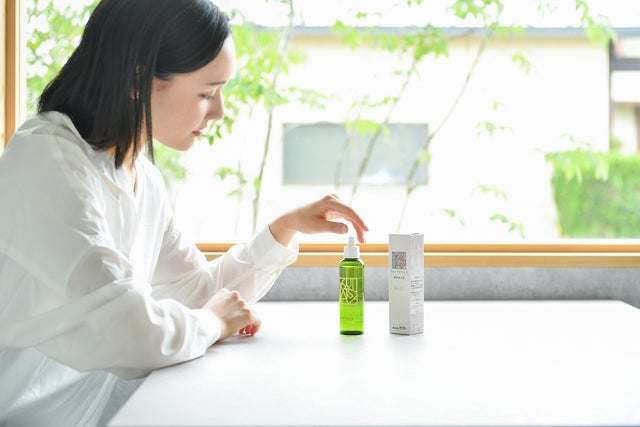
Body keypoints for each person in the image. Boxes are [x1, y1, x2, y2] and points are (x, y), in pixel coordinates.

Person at [0, 0, 369, 425]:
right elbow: (131, 332)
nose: (219, 111)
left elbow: (198, 294)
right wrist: (212, 323)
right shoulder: (47, 163)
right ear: (138, 79)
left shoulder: (140, 177)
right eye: (207, 93)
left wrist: (283, 229)